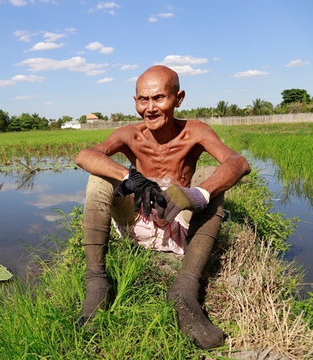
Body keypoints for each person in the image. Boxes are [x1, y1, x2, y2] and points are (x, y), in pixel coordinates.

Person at [74, 65, 251, 349]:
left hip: (178, 219)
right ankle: (97, 282)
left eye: (159, 98)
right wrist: (131, 178)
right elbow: (85, 156)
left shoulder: (194, 132)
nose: (150, 108)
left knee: (213, 186)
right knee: (99, 178)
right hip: (140, 216)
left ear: (178, 98)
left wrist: (197, 194)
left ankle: (185, 288)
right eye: (143, 100)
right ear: (135, 102)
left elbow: (239, 163)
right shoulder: (130, 134)